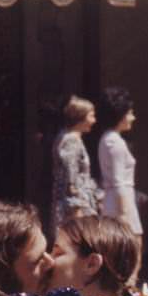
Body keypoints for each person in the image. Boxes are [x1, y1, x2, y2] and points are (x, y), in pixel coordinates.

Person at [98, 87, 143, 242]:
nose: (133, 117)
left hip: (116, 200)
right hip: (120, 203)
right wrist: (124, 214)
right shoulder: (114, 141)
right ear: (120, 115)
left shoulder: (108, 138)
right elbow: (118, 181)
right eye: (130, 113)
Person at [50, 95, 100, 232]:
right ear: (80, 116)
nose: (94, 121)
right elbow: (70, 178)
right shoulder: (71, 140)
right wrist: (76, 209)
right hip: (73, 207)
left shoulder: (68, 136)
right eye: (91, 116)